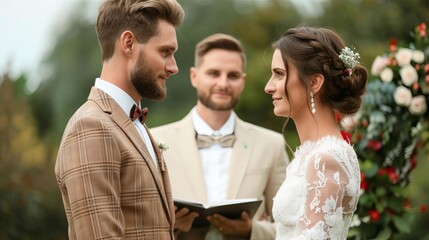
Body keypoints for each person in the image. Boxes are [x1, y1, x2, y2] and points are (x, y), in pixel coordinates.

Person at [54, 0, 184, 239]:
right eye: (165, 52)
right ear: (129, 43)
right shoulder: (91, 127)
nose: (174, 67)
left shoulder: (132, 123)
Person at [151, 33, 289, 240]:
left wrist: (251, 231)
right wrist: (168, 225)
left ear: (242, 82)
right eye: (214, 73)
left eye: (232, 75)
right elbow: (136, 224)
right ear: (194, 77)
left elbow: (290, 226)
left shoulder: (272, 144)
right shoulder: (155, 141)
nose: (223, 83)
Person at [264, 26, 367, 239]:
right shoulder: (315, 153)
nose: (269, 87)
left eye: (279, 74)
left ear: (314, 82)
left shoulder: (325, 159)